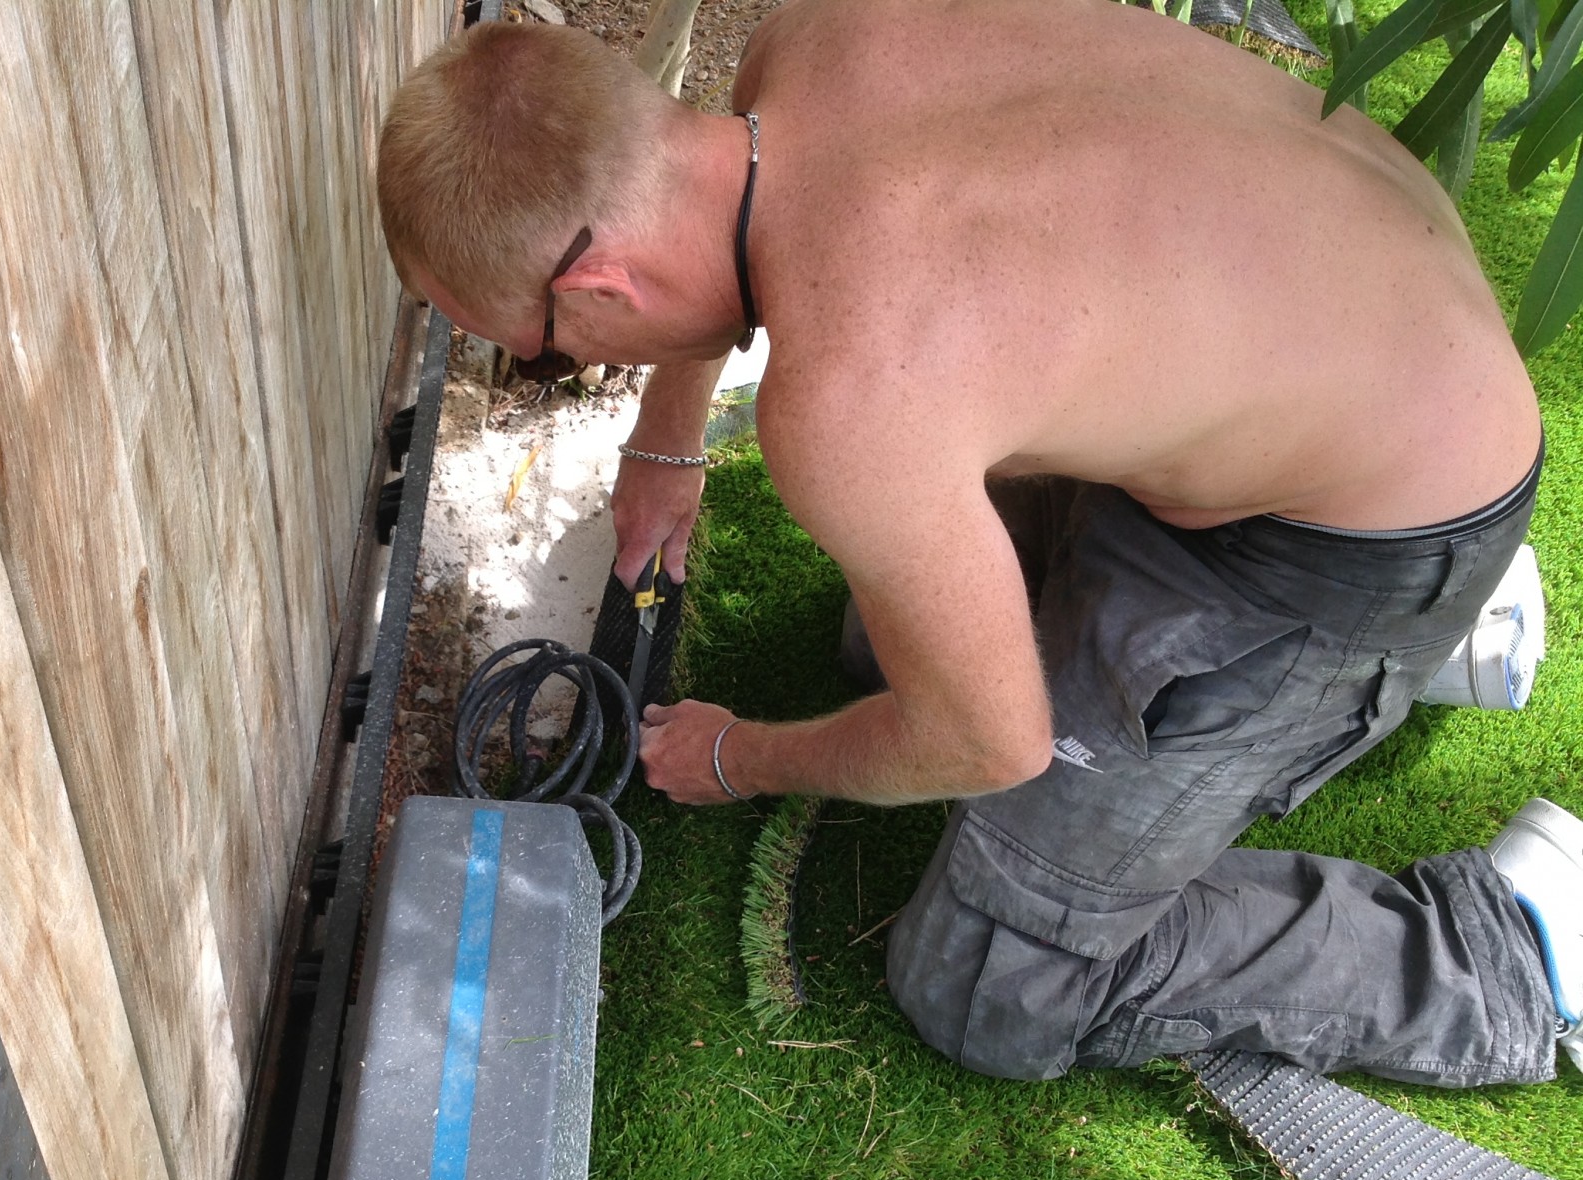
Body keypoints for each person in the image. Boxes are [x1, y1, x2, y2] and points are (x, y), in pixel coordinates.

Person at [375, 0, 1582, 1086]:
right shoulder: (814, 38)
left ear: (598, 286)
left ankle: (1510, 945)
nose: (558, 365)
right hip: (1376, 336)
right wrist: (666, 435)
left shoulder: (847, 403)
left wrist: (739, 756)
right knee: (881, 643)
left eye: (542, 353)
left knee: (988, 984)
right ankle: (1419, 636)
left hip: (1350, 540)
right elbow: (708, 238)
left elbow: (987, 741)